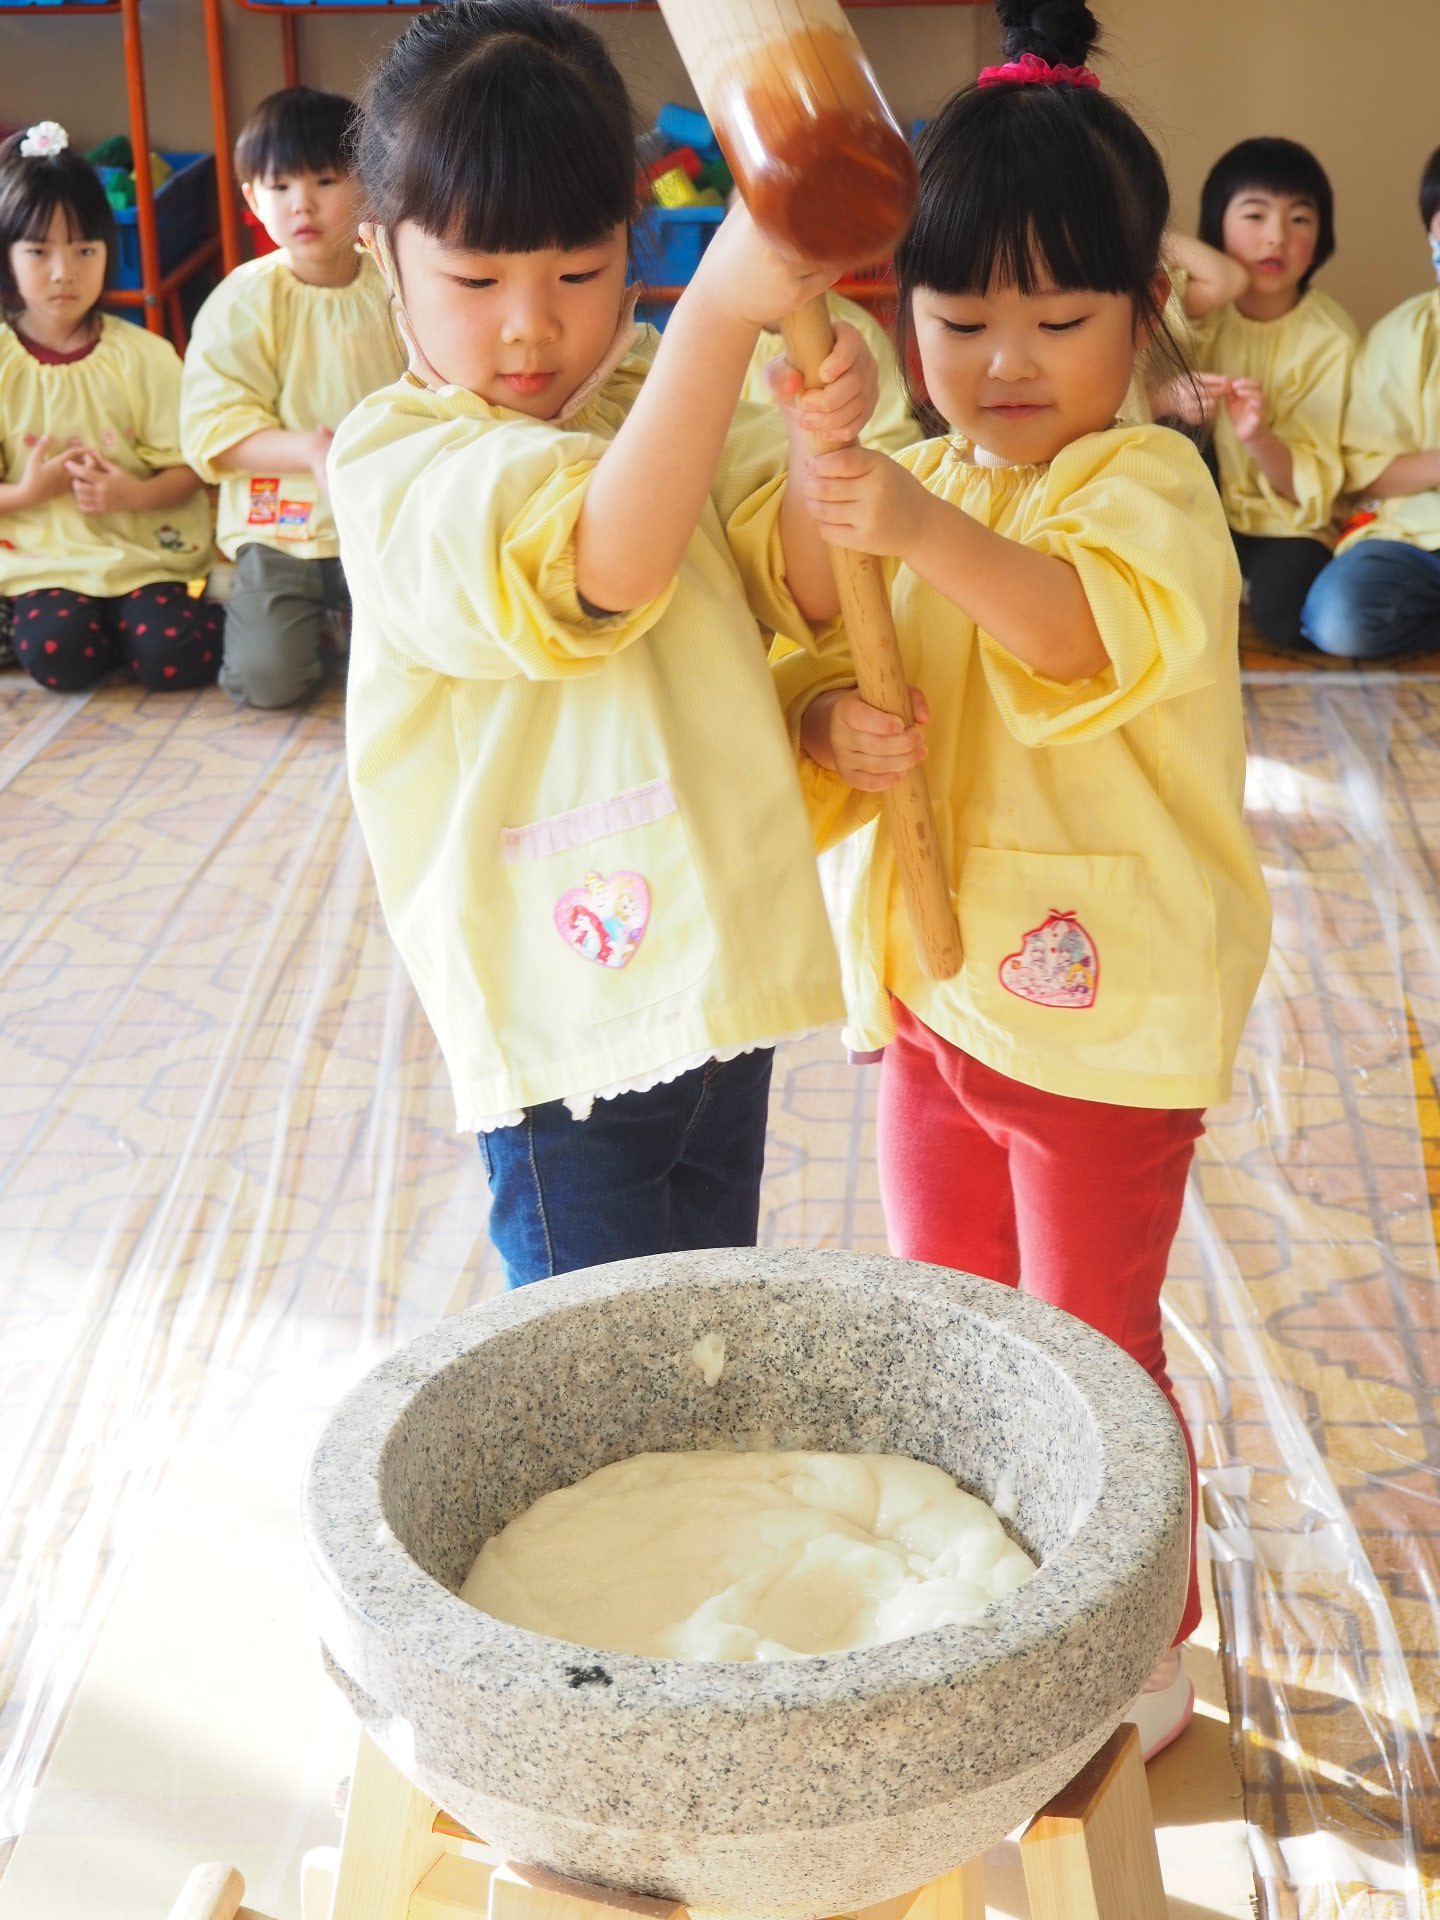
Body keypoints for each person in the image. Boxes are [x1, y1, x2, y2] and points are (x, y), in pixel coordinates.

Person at [775, 0, 1271, 1759]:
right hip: (935, 991)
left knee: (1091, 1343)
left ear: (1143, 321)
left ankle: (1141, 1641)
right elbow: (830, 622)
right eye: (960, 318)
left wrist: (917, 533)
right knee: (959, 1321)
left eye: (1059, 320)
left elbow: (1070, 633)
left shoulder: (1143, 487)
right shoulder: (922, 468)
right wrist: (840, 724)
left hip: (1101, 1019)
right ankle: (1007, 1587)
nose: (1003, 360)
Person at [331, 0, 865, 1287]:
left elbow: (798, 582)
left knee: (704, 1319)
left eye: (578, 274)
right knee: (592, 1361)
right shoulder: (399, 464)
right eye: (476, 281)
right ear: (379, 255)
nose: (530, 326)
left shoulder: (655, 401)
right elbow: (603, 566)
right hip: (563, 1023)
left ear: (634, 248)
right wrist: (715, 320)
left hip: (719, 973)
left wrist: (811, 455)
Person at [181, 87, 405, 708]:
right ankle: (299, 618)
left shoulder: (394, 283)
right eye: (279, 187)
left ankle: (345, 619)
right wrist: (312, 450)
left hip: (383, 519)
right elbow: (211, 429)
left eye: (325, 180)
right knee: (267, 682)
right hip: (282, 530)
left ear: (366, 185)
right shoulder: (246, 299)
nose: (301, 204)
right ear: (253, 198)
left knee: (413, 665)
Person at [0, 123, 218, 692]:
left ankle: (140, 625)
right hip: (43, 558)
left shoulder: (143, 355)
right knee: (59, 655)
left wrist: (136, 494)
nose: (63, 271)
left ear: (108, 251)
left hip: (142, 550)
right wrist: (25, 494)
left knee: (173, 656)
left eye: (84, 249)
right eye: (38, 251)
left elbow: (193, 464)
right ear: (7, 256)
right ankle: (81, 627)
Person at [1193, 137, 1357, 650]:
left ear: (1322, 233)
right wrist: (1168, 400)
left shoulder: (1332, 339)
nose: (1276, 239)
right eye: (1255, 215)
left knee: (1285, 620)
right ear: (1217, 222)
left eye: (1299, 219)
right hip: (1201, 511)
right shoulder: (1199, 311)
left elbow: (1311, 491)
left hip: (1286, 523)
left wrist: (1257, 435)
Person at [1301, 146, 1440, 659]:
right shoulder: (1402, 335)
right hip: (1412, 534)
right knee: (1338, 617)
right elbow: (1366, 470)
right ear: (1431, 233)